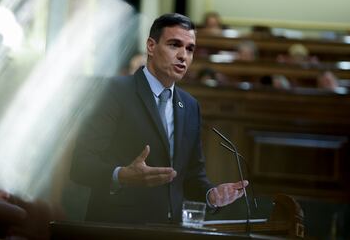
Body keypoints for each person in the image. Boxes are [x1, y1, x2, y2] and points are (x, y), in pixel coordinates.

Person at [70, 13, 248, 224]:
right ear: (151, 46)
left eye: (190, 49)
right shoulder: (113, 91)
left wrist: (212, 195)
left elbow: (193, 177)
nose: (183, 55)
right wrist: (122, 175)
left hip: (169, 229)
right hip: (117, 226)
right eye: (175, 45)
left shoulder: (190, 106)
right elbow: (81, 165)